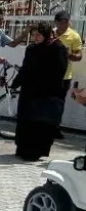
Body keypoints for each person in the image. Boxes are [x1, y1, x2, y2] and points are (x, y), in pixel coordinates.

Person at [10, 22, 69, 161]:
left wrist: (44, 83)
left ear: (46, 34)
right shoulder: (31, 49)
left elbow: (60, 71)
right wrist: (16, 82)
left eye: (38, 35)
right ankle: (22, 148)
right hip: (29, 91)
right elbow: (25, 68)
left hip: (47, 92)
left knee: (40, 123)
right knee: (25, 120)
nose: (35, 37)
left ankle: (35, 152)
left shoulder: (57, 48)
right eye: (33, 34)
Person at [53, 10, 83, 138]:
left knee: (58, 102)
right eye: (61, 22)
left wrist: (70, 55)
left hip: (64, 76)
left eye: (66, 22)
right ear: (56, 22)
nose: (64, 25)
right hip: (45, 75)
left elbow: (79, 55)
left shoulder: (74, 36)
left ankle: (55, 128)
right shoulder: (50, 33)